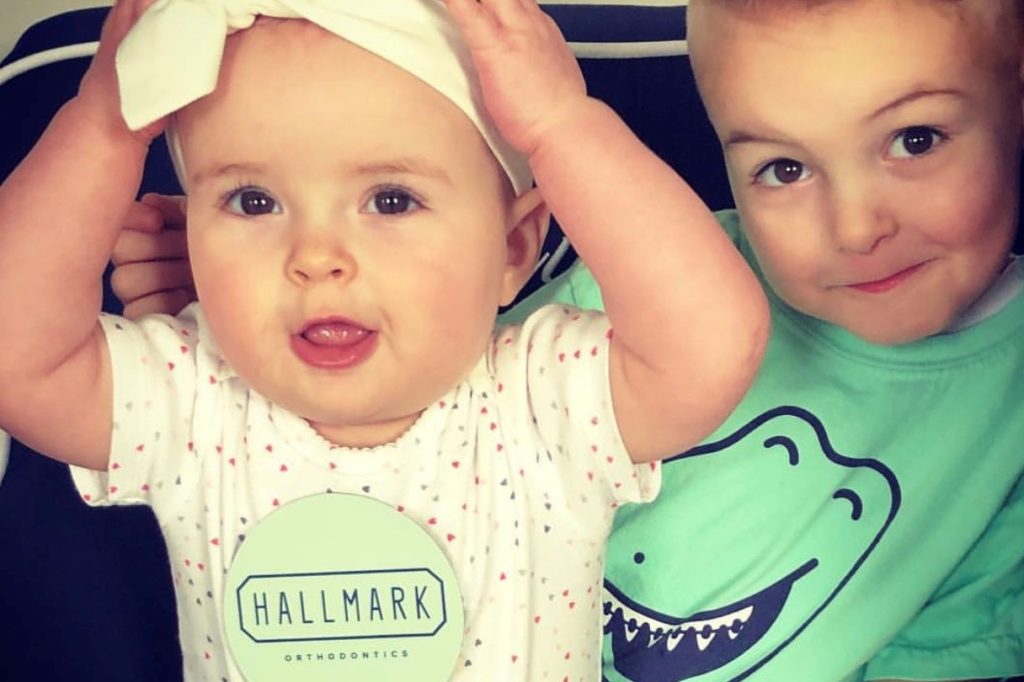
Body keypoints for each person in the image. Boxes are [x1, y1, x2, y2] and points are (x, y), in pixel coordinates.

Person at [110, 0, 1024, 679]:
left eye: (915, 140)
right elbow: (434, 401)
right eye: (782, 167)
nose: (857, 227)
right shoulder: (661, 267)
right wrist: (252, 322)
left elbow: (958, 642)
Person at [0, 0, 769, 680]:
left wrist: (563, 127)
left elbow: (712, 343)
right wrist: (103, 128)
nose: (316, 257)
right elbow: (17, 357)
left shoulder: (544, 402)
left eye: (391, 200)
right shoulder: (193, 399)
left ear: (512, 248)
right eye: (254, 201)